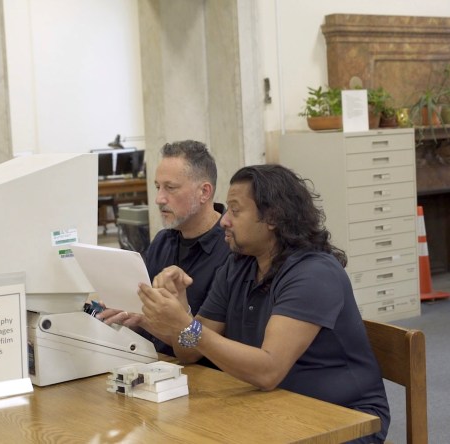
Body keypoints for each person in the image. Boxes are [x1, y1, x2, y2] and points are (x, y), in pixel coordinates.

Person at [137, 164, 390, 443]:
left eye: (235, 210)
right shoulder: (238, 265)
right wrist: (181, 308)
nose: (224, 221)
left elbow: (268, 371)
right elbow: (189, 353)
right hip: (273, 404)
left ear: (272, 217)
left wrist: (185, 325)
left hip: (343, 418)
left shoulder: (314, 273)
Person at [97, 140, 231, 357]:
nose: (159, 199)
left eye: (170, 187)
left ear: (204, 192)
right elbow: (139, 307)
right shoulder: (163, 241)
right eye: (158, 187)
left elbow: (197, 346)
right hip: (156, 362)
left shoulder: (230, 249)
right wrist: (120, 311)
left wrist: (142, 318)